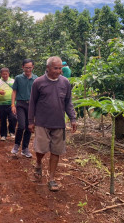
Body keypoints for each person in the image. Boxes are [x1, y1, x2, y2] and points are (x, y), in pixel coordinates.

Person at [28, 56, 77, 192]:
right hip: (42, 123)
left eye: (60, 68)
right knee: (41, 149)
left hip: (58, 123)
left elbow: (68, 102)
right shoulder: (38, 83)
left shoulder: (65, 83)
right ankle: (38, 163)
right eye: (55, 68)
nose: (58, 71)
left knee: (56, 151)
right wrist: (31, 121)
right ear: (48, 68)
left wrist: (73, 118)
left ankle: (51, 178)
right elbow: (32, 102)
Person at [10, 59, 38, 158]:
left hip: (31, 105)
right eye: (26, 67)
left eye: (30, 67)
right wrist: (13, 105)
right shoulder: (18, 78)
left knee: (29, 127)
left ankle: (25, 148)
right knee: (21, 125)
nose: (28, 69)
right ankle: (17, 145)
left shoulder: (36, 79)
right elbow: (14, 91)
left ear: (33, 67)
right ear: (23, 67)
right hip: (21, 104)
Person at [0, 67, 17, 141]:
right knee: (2, 120)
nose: (5, 76)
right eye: (3, 74)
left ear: (9, 74)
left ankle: (12, 132)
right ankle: (3, 135)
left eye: (6, 74)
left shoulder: (13, 81)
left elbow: (16, 91)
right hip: (1, 104)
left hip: (12, 104)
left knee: (13, 118)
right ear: (1, 74)